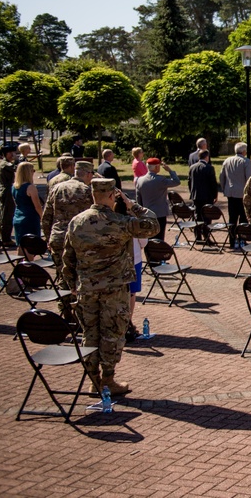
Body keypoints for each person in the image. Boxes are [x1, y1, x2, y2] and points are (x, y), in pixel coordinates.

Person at [63, 178, 159, 395]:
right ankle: (107, 379)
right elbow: (152, 225)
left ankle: (93, 380)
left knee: (90, 333)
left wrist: (72, 285)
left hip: (86, 288)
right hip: (114, 289)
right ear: (111, 196)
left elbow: (67, 258)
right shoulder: (118, 222)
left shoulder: (77, 222)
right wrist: (131, 204)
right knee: (112, 333)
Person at [42, 160, 95, 292]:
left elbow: (46, 217)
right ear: (88, 174)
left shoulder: (57, 188)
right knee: (78, 279)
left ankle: (65, 309)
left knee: (62, 276)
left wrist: (48, 237)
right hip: (77, 240)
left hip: (58, 237)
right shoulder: (87, 191)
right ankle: (75, 309)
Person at [134, 157, 181, 241]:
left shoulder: (140, 180)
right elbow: (176, 181)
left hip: (146, 213)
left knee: (148, 238)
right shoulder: (160, 180)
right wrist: (170, 171)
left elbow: (138, 199)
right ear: (156, 167)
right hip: (160, 214)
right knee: (159, 238)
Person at [220, 142, 251, 244]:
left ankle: (232, 239)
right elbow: (249, 178)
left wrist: (224, 188)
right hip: (242, 193)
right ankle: (243, 239)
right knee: (243, 218)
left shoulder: (227, 161)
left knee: (232, 218)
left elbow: (222, 176)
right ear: (244, 151)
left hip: (230, 193)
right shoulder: (246, 162)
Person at [12, 162, 43, 260]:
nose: (34, 172)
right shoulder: (30, 187)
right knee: (30, 246)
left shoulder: (14, 186)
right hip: (30, 218)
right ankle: (29, 269)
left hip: (18, 216)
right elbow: (37, 206)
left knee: (21, 245)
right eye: (32, 170)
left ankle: (20, 268)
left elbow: (16, 203)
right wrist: (42, 217)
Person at [187, 149, 218, 243]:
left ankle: (197, 236)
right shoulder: (209, 168)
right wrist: (215, 195)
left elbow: (189, 181)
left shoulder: (192, 167)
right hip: (207, 196)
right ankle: (206, 236)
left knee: (197, 216)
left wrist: (192, 192)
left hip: (196, 195)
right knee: (207, 217)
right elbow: (213, 183)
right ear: (207, 157)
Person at [0, 146, 18, 246]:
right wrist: (17, 160)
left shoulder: (7, 163)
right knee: (6, 216)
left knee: (8, 215)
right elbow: (14, 168)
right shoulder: (5, 164)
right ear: (5, 154)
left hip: (9, 190)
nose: (13, 155)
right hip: (6, 192)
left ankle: (6, 237)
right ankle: (5, 239)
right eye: (11, 153)